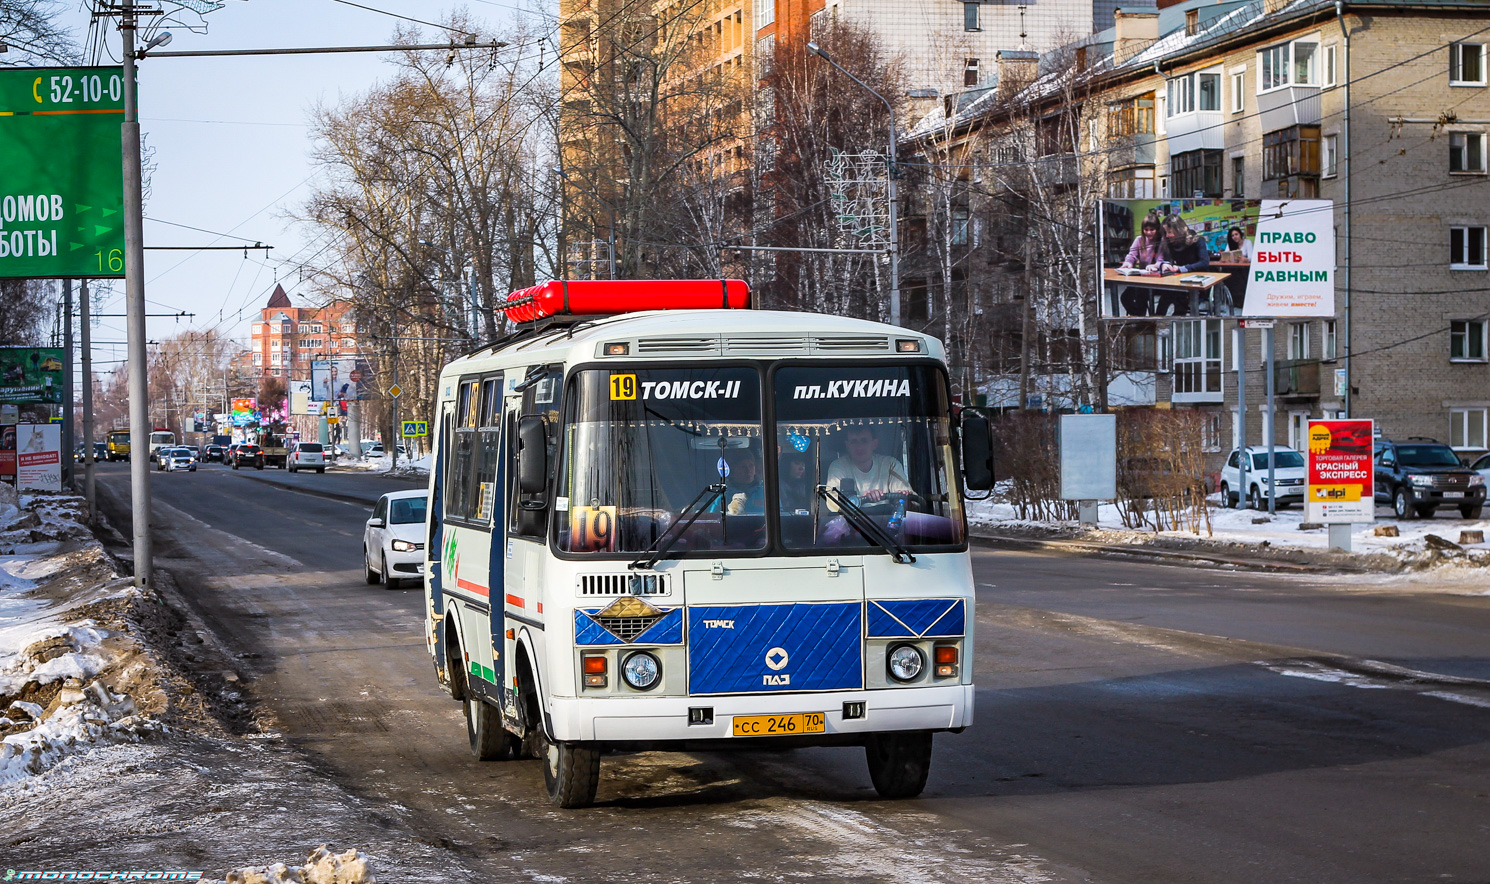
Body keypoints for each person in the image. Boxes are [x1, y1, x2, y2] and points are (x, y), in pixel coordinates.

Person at [825, 426, 910, 505]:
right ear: (847, 445)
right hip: (849, 520)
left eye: (864, 441)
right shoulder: (838, 467)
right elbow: (832, 503)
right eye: (854, 442)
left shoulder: (890, 464)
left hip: (888, 520)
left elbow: (910, 499)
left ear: (874, 444)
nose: (859, 447)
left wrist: (901, 500)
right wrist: (862, 499)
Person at [1154, 214, 1211, 315]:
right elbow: (1168, 259)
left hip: (1197, 283)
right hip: (1180, 281)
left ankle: (1179, 319)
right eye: (1166, 232)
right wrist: (1164, 264)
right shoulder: (1172, 243)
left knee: (1180, 305)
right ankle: (1155, 324)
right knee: (1164, 299)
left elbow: (1204, 262)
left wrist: (1182, 268)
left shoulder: (1198, 241)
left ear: (1179, 230)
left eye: (1169, 232)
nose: (1167, 235)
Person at [1118, 213, 1166, 316]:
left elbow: (1161, 259)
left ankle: (1140, 319)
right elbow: (1132, 254)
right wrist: (1128, 263)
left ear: (1157, 229)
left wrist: (1155, 266)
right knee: (1125, 298)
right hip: (1141, 278)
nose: (1148, 232)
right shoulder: (1139, 240)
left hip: (1155, 279)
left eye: (1152, 229)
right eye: (1146, 229)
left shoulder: (1161, 241)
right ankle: (1138, 317)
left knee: (1141, 298)